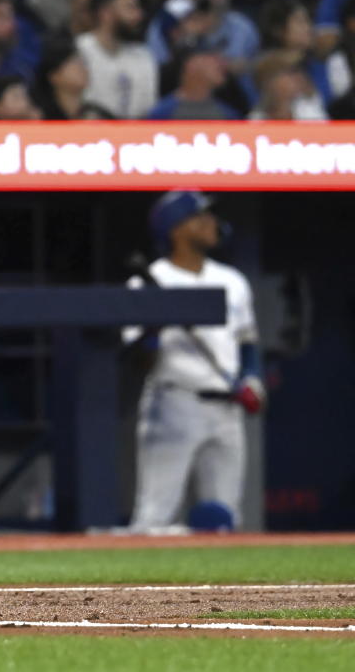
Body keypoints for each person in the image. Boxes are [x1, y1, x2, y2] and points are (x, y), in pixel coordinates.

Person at [124, 190, 264, 531]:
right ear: (176, 229)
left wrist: (252, 379)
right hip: (175, 402)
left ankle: (222, 588)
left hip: (227, 405)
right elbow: (135, 360)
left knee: (225, 518)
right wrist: (154, 329)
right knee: (154, 518)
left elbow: (247, 342)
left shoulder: (232, 280)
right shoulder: (148, 283)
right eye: (200, 217)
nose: (211, 223)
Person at [75, 0, 158, 119]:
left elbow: (148, 109)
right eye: (130, 8)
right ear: (105, 13)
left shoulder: (144, 55)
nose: (139, 15)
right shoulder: (80, 49)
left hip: (136, 136)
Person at [32, 37, 113, 120]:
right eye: (74, 64)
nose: (83, 69)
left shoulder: (98, 115)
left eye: (83, 62)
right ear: (54, 76)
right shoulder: (41, 117)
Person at [147, 49, 239, 120]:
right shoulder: (161, 115)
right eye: (213, 59)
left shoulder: (229, 115)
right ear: (191, 64)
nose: (223, 64)